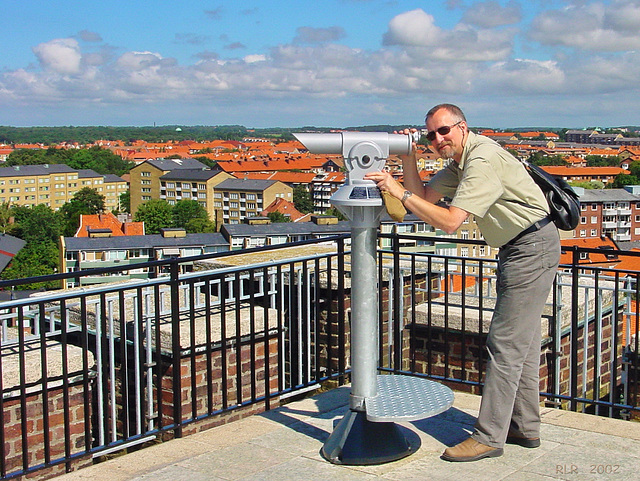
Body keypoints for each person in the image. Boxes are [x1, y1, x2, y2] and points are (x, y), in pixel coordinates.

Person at [364, 104, 560, 462]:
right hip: (521, 247)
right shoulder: (461, 161)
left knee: (504, 345)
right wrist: (408, 158)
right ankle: (523, 426)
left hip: (531, 248)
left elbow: (451, 222)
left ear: (462, 128)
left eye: (444, 131)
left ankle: (488, 437)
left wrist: (396, 189)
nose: (438, 139)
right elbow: (425, 198)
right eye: (430, 135)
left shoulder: (482, 161)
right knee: (524, 346)